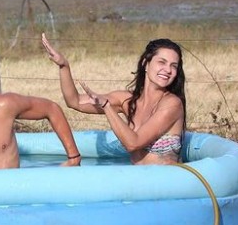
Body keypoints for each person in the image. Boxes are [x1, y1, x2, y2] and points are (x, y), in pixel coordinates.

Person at [41, 33, 186, 165]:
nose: (168, 70)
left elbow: (133, 143)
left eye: (174, 66)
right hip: (138, 181)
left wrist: (107, 107)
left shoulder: (172, 104)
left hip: (165, 185)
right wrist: (64, 66)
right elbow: (74, 101)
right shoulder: (127, 100)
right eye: (162, 62)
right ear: (145, 64)